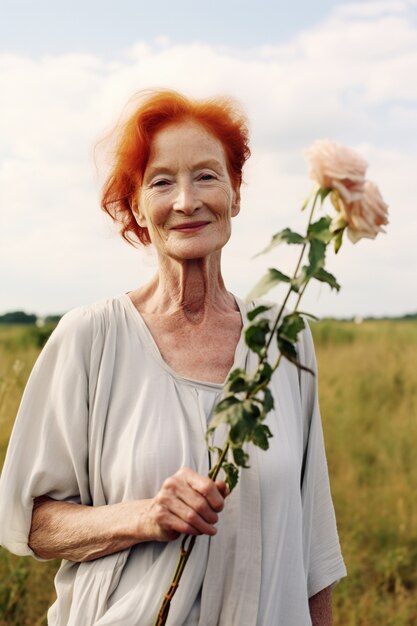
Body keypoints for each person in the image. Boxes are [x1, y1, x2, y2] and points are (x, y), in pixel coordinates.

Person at [0, 89, 346, 625]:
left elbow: (312, 547)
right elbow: (32, 525)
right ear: (137, 205)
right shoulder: (90, 338)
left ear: (235, 192)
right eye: (162, 181)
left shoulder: (283, 338)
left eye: (207, 175)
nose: (187, 200)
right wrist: (143, 517)